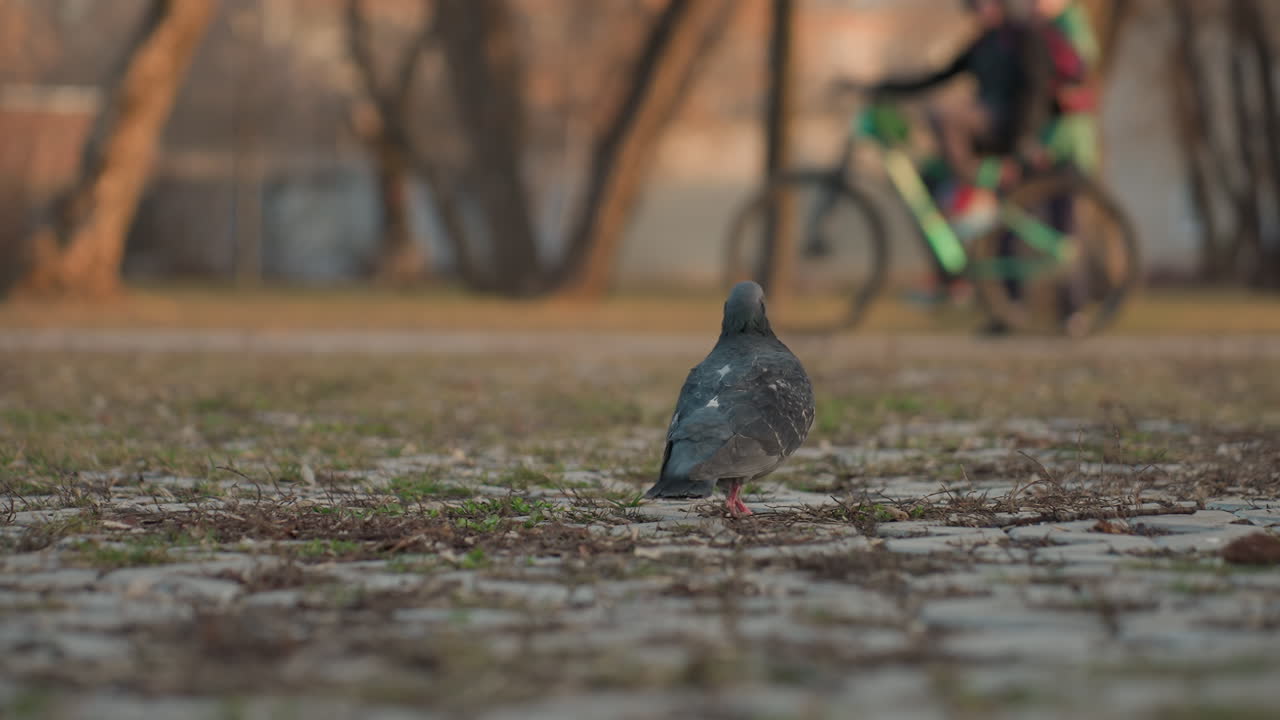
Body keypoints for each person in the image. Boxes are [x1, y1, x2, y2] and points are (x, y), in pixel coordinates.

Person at [867, 0, 1096, 311]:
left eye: (984, 4)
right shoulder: (983, 44)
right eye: (973, 6)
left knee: (1060, 226)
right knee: (935, 187)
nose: (978, 11)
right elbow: (938, 75)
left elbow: (1034, 92)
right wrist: (882, 86)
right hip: (993, 142)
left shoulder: (1024, 36)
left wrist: (1023, 144)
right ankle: (970, 288)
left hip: (1016, 136)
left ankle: (1073, 311)